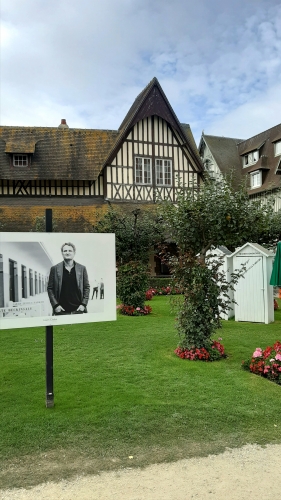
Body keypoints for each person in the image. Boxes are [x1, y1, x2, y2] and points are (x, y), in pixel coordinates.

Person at [47, 242, 90, 315]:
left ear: (74, 253)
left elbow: (86, 287)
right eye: (65, 251)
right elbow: (50, 288)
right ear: (62, 253)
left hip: (78, 310)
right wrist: (56, 305)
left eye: (70, 251)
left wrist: (83, 304)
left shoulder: (82, 268)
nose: (67, 253)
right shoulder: (54, 269)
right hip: (61, 311)